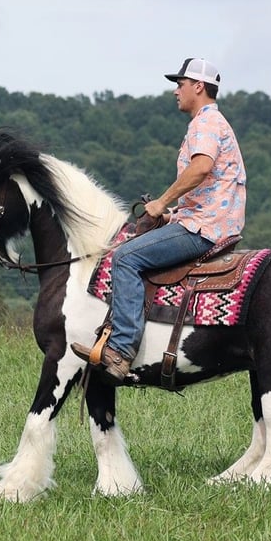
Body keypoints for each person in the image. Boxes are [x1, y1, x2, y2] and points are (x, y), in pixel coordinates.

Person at [71, 57, 247, 384]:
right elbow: (208, 188)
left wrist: (161, 203)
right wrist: (171, 215)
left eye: (180, 85)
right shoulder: (215, 122)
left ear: (199, 86)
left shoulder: (205, 123)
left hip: (204, 229)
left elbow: (201, 168)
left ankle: (121, 351)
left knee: (124, 257)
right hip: (205, 221)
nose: (175, 91)